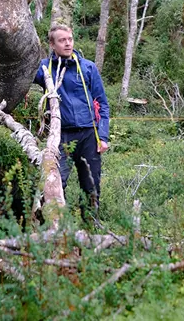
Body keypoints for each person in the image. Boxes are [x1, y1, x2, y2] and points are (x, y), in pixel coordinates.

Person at [34, 24, 110, 223]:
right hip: (61, 136)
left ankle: (90, 225)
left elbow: (102, 103)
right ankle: (58, 227)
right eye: (62, 40)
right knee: (57, 184)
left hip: (88, 136)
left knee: (91, 185)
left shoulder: (87, 67)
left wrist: (102, 136)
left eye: (70, 39)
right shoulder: (44, 68)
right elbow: (21, 74)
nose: (67, 43)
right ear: (52, 44)